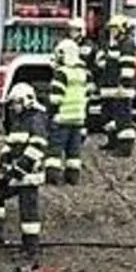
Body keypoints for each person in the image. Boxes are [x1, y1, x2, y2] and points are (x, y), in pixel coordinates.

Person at [0, 83, 49, 260]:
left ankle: (30, 249)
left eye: (15, 103)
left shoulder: (36, 119)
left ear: (26, 101)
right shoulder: (19, 119)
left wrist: (18, 169)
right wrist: (3, 163)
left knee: (28, 213)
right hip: (15, 174)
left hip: (28, 176)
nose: (13, 107)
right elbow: (10, 145)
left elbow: (37, 148)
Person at [45, 38, 90, 185]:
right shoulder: (82, 72)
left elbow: (56, 99)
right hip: (78, 117)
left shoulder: (62, 73)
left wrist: (50, 114)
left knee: (55, 149)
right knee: (74, 152)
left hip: (62, 117)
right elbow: (87, 95)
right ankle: (72, 178)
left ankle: (52, 177)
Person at [94, 14, 136, 157]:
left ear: (122, 29)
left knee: (123, 119)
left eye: (115, 28)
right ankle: (113, 142)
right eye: (111, 28)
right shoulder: (113, 45)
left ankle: (125, 148)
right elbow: (102, 64)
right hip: (109, 89)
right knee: (107, 117)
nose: (112, 31)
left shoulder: (127, 44)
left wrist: (123, 86)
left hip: (120, 90)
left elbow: (127, 68)